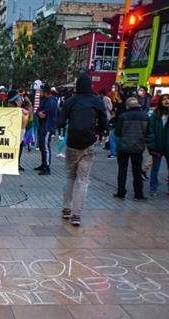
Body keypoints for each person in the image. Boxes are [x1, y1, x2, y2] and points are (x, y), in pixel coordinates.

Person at [57, 73, 107, 226]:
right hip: (88, 144)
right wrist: (98, 132)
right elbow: (104, 123)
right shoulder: (97, 101)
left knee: (69, 177)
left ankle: (66, 208)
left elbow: (60, 122)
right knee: (83, 180)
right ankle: (76, 215)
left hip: (72, 143)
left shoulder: (70, 101)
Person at [146, 94, 169, 197]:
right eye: (163, 99)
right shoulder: (155, 115)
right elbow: (150, 130)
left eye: (168, 99)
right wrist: (151, 145)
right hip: (157, 146)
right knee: (155, 168)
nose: (166, 101)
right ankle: (153, 188)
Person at [114, 97, 148, 200]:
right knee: (137, 171)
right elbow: (147, 131)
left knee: (122, 170)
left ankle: (121, 192)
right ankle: (138, 194)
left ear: (128, 106)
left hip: (124, 147)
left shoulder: (123, 116)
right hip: (138, 147)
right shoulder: (145, 116)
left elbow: (117, 132)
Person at [37, 85, 58, 175]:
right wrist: (38, 112)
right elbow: (38, 110)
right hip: (43, 125)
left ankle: (47, 166)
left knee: (45, 146)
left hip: (48, 126)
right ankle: (44, 164)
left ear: (45, 92)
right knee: (42, 145)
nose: (40, 93)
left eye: (41, 91)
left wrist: (40, 113)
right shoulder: (45, 100)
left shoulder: (52, 101)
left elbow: (43, 113)